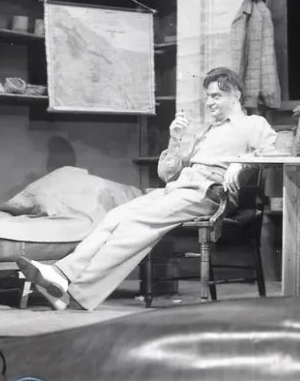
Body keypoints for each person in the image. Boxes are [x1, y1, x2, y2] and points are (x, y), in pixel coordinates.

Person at [17, 67, 276, 311]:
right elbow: (167, 174)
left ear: (236, 95)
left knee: (134, 222)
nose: (209, 102)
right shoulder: (207, 131)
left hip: (209, 192)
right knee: (117, 216)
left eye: (216, 96)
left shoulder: (253, 124)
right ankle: (67, 283)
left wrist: (241, 163)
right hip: (180, 188)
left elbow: (273, 152)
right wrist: (174, 139)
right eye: (208, 96)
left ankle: (70, 284)